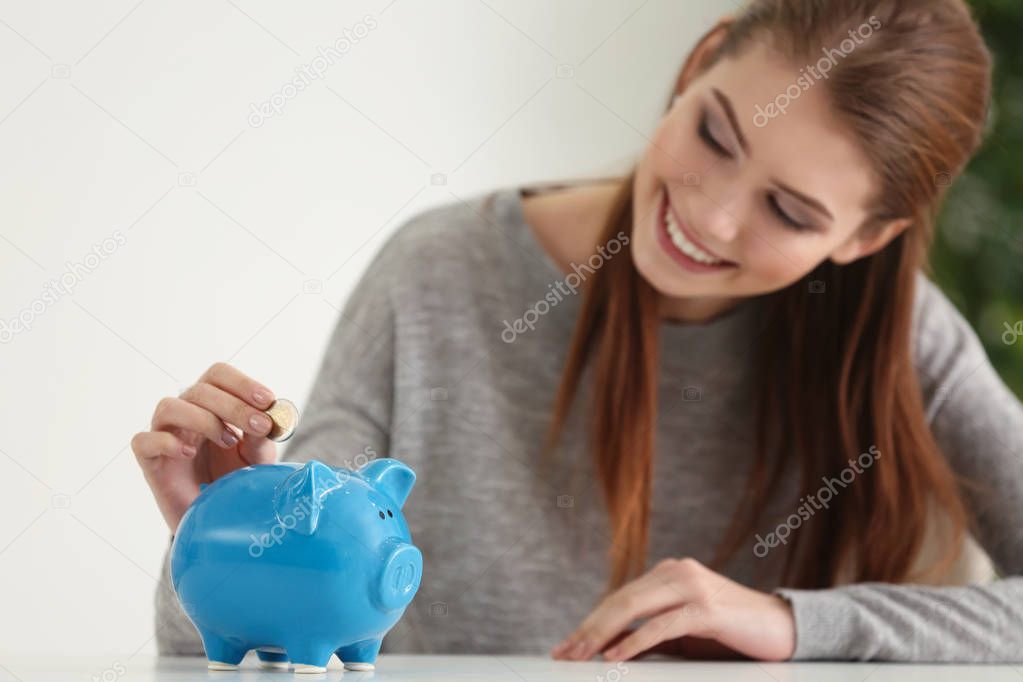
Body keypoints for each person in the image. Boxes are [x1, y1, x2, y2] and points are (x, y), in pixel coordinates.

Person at [133, 0, 1023, 663]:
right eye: (715, 135)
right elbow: (276, 659)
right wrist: (221, 543)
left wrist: (793, 624)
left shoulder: (904, 338)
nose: (708, 219)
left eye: (787, 211)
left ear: (867, 238)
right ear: (699, 62)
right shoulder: (438, 273)